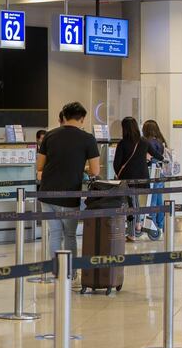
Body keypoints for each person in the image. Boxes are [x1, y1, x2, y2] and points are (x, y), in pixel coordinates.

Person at [37, 102, 100, 285]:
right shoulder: (88, 139)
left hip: (47, 192)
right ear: (82, 119)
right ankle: (71, 273)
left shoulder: (49, 136)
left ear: (64, 116)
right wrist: (84, 168)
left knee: (55, 233)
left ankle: (58, 272)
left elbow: (40, 166)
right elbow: (95, 170)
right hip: (70, 194)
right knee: (70, 234)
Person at [114, 116, 162, 241]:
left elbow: (116, 163)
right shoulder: (144, 141)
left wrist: (119, 175)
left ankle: (133, 232)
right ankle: (137, 225)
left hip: (128, 178)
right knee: (134, 203)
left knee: (131, 204)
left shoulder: (123, 143)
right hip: (143, 177)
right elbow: (158, 155)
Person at [142, 119, 167, 235]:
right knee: (159, 199)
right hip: (160, 172)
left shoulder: (149, 142)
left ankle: (150, 224)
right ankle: (160, 225)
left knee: (151, 199)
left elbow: (148, 158)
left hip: (152, 172)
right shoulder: (161, 141)